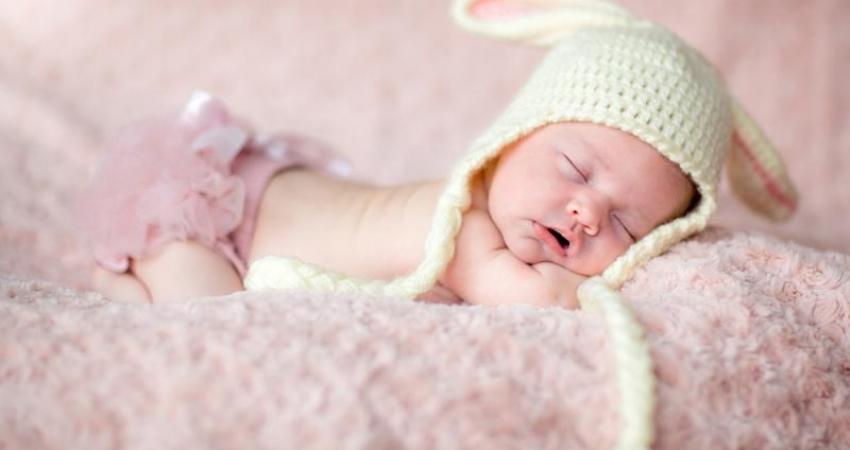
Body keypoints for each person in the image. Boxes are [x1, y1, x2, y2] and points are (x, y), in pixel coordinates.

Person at [80, 0, 797, 310]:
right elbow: (549, 301)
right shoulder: (470, 235)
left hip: (267, 189)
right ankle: (117, 283)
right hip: (217, 211)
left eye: (630, 230)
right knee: (202, 315)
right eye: (575, 170)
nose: (587, 212)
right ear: (510, 137)